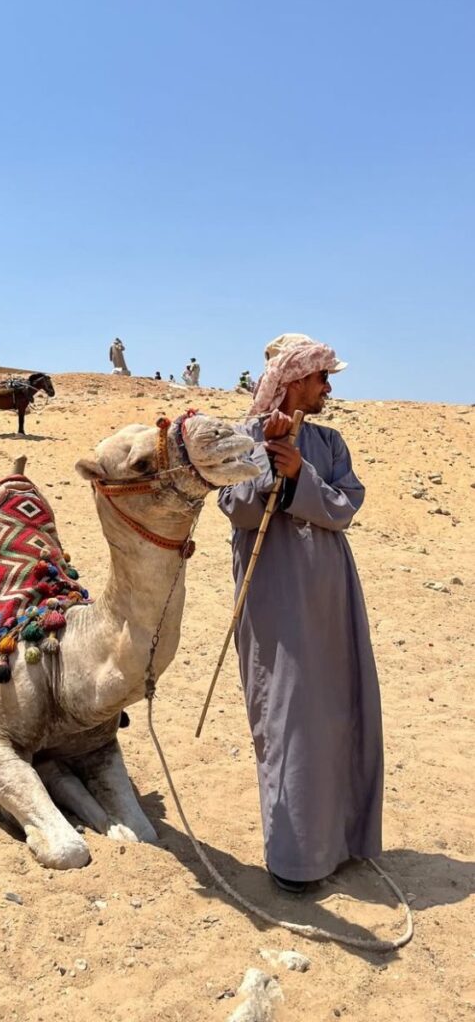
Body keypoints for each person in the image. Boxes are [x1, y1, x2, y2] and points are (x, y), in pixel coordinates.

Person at [218, 336, 382, 894]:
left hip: (332, 597)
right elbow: (236, 509)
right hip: (275, 599)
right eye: (320, 378)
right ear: (292, 379)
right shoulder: (240, 439)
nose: (328, 388)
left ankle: (340, 843)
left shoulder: (330, 442)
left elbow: (346, 505)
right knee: (287, 717)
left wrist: (301, 476)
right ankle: (294, 860)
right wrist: (269, 467)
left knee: (338, 712)